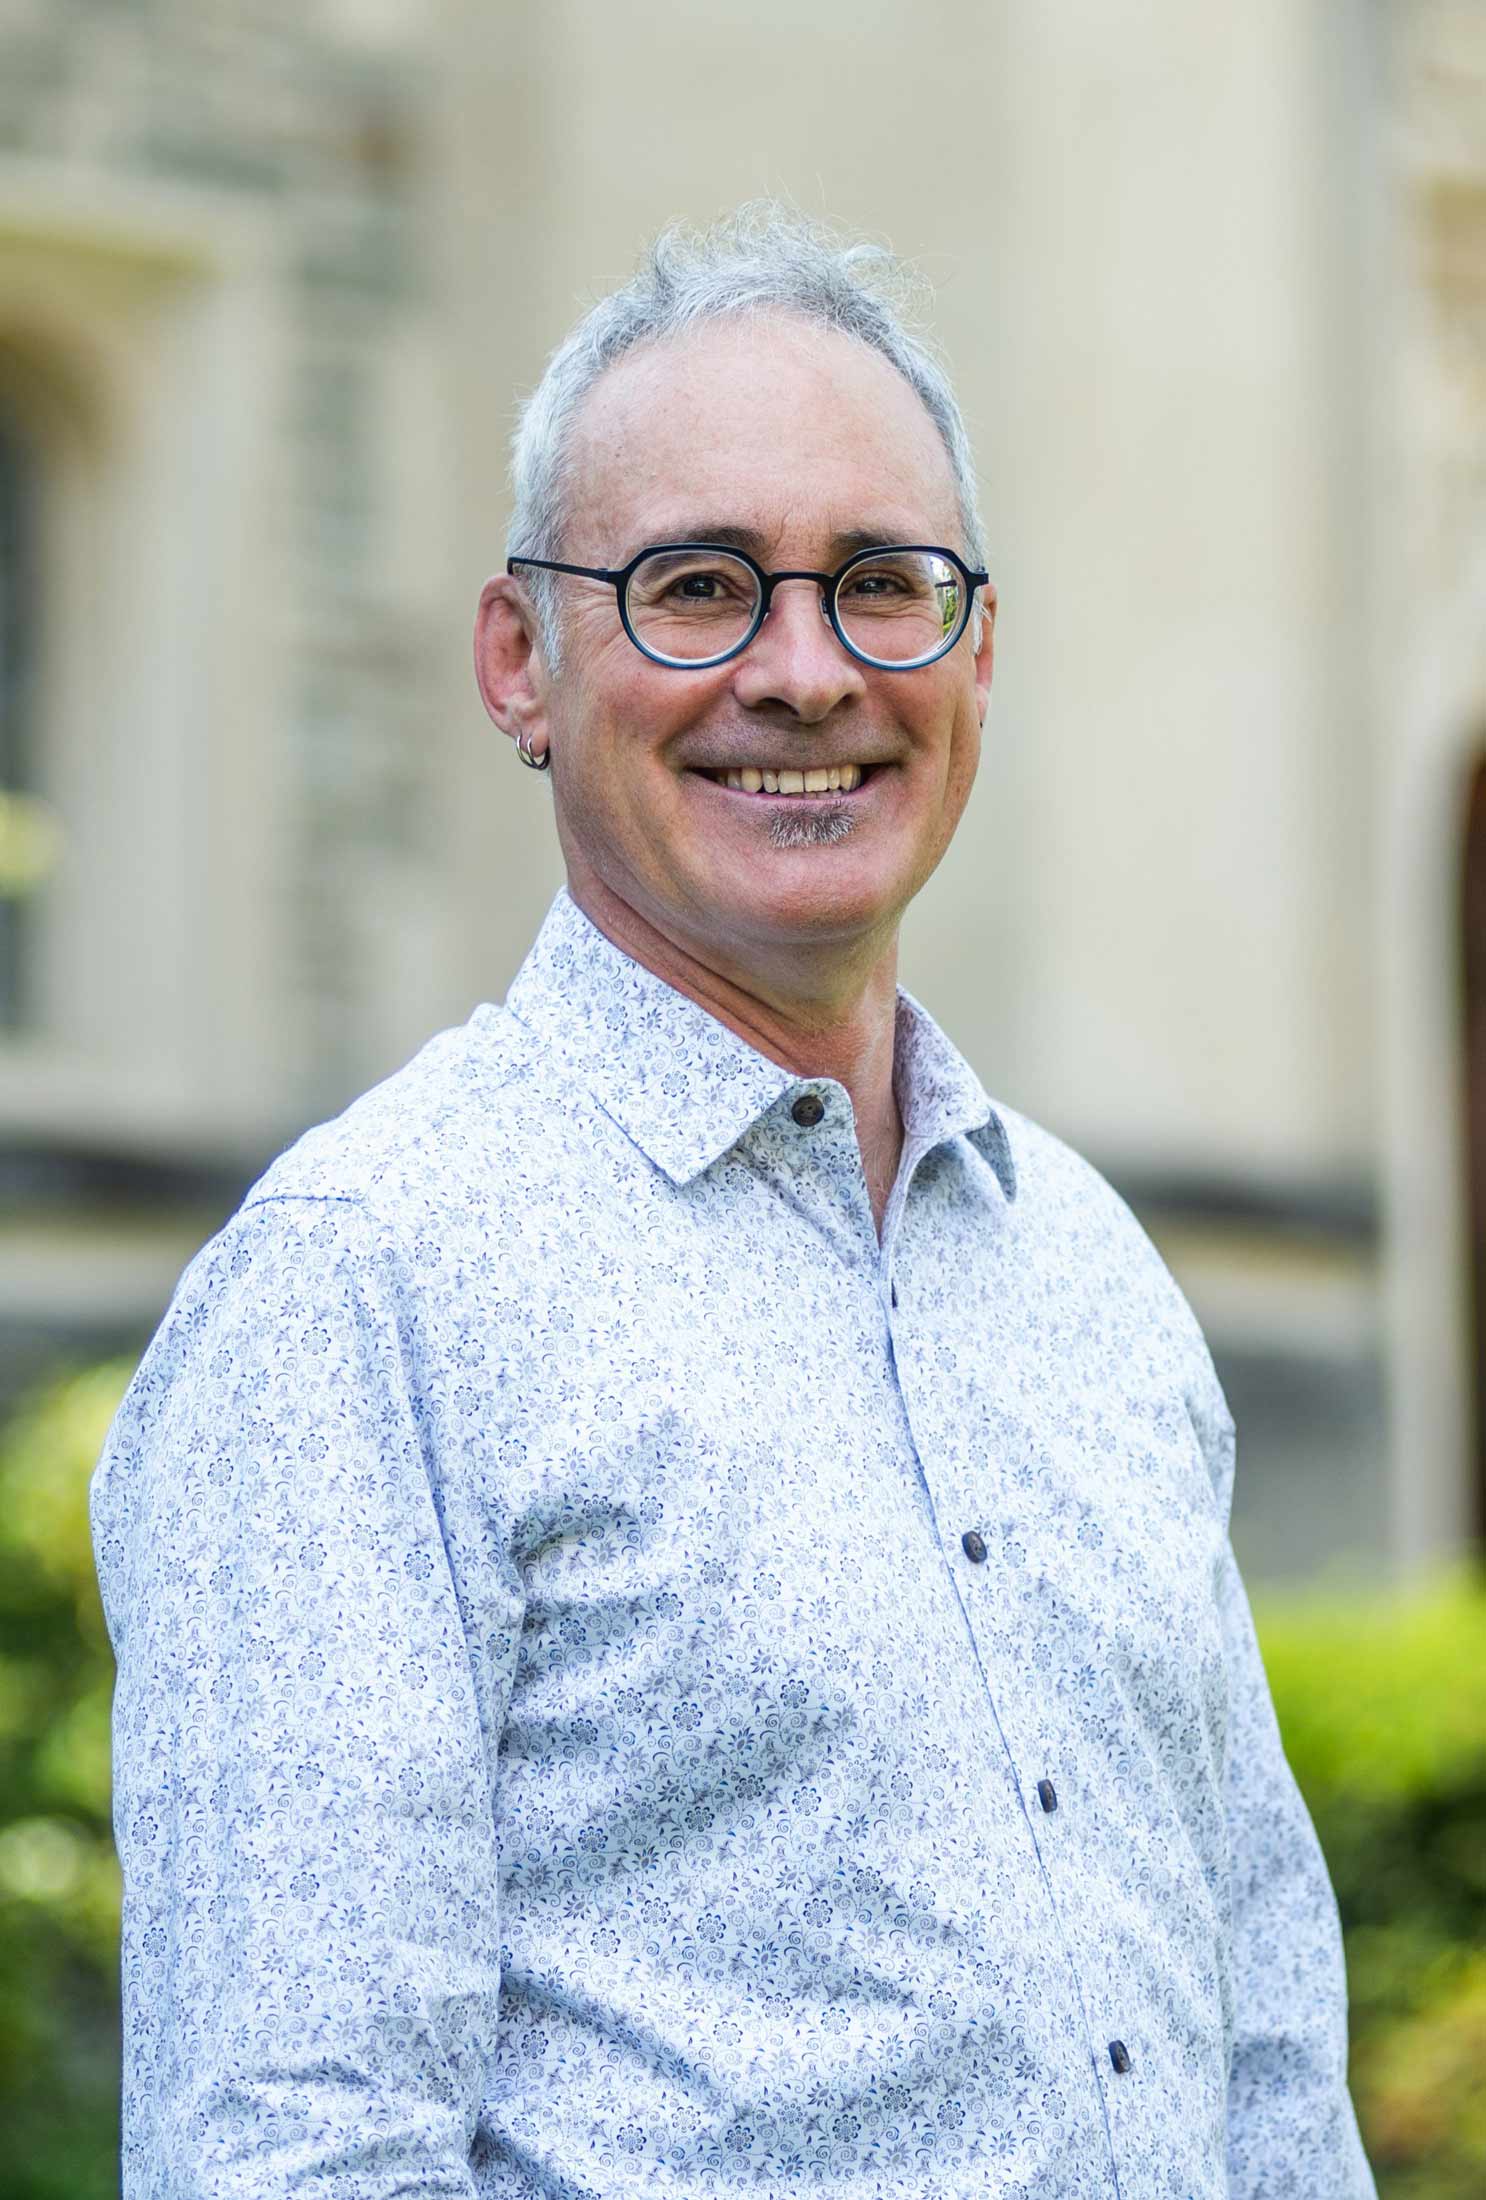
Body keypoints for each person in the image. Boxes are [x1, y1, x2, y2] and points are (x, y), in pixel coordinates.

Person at [91, 205, 1377, 2198]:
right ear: (522, 658)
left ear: (976, 649)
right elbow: (295, 2153)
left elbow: (1272, 2046)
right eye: (696, 586)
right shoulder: (367, 1284)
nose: (804, 674)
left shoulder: (1090, 1272)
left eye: (882, 583)